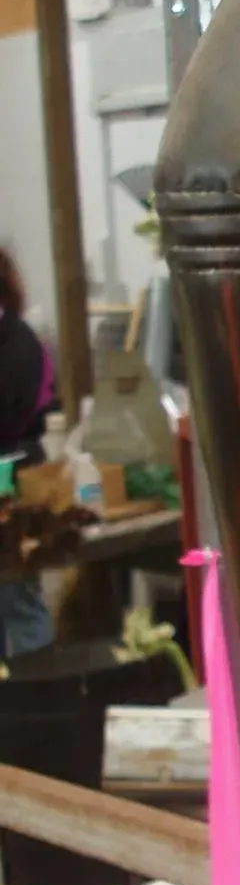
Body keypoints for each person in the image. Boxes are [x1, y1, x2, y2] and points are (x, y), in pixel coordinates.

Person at [0, 249, 58, 657]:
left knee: (18, 597)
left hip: (15, 486)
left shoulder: (19, 343)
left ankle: (35, 701)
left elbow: (12, 414)